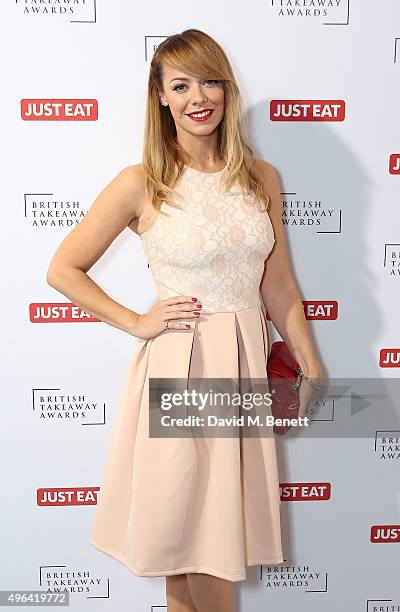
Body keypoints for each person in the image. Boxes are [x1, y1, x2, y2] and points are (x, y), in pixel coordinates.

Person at [46, 28, 323, 612]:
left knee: (195, 545)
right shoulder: (141, 182)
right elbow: (64, 269)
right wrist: (134, 320)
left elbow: (279, 286)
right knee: (197, 543)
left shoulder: (260, 177)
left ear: (227, 88)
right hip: (184, 364)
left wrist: (310, 360)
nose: (199, 96)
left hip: (244, 364)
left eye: (210, 80)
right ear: (162, 99)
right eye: (181, 85)